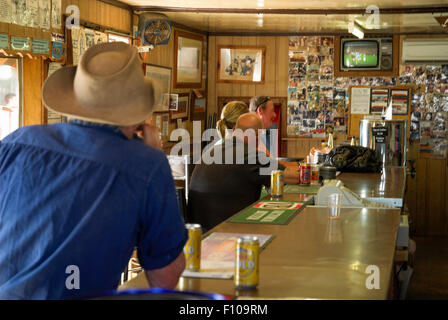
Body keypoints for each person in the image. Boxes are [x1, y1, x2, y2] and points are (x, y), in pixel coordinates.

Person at [0, 43, 187, 299]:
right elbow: (165, 277)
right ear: (138, 116)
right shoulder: (146, 165)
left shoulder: (16, 142)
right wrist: (151, 154)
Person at [188, 113, 298, 232]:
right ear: (258, 136)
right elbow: (293, 177)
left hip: (196, 231)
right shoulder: (250, 155)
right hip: (223, 231)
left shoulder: (213, 150)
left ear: (235, 130)